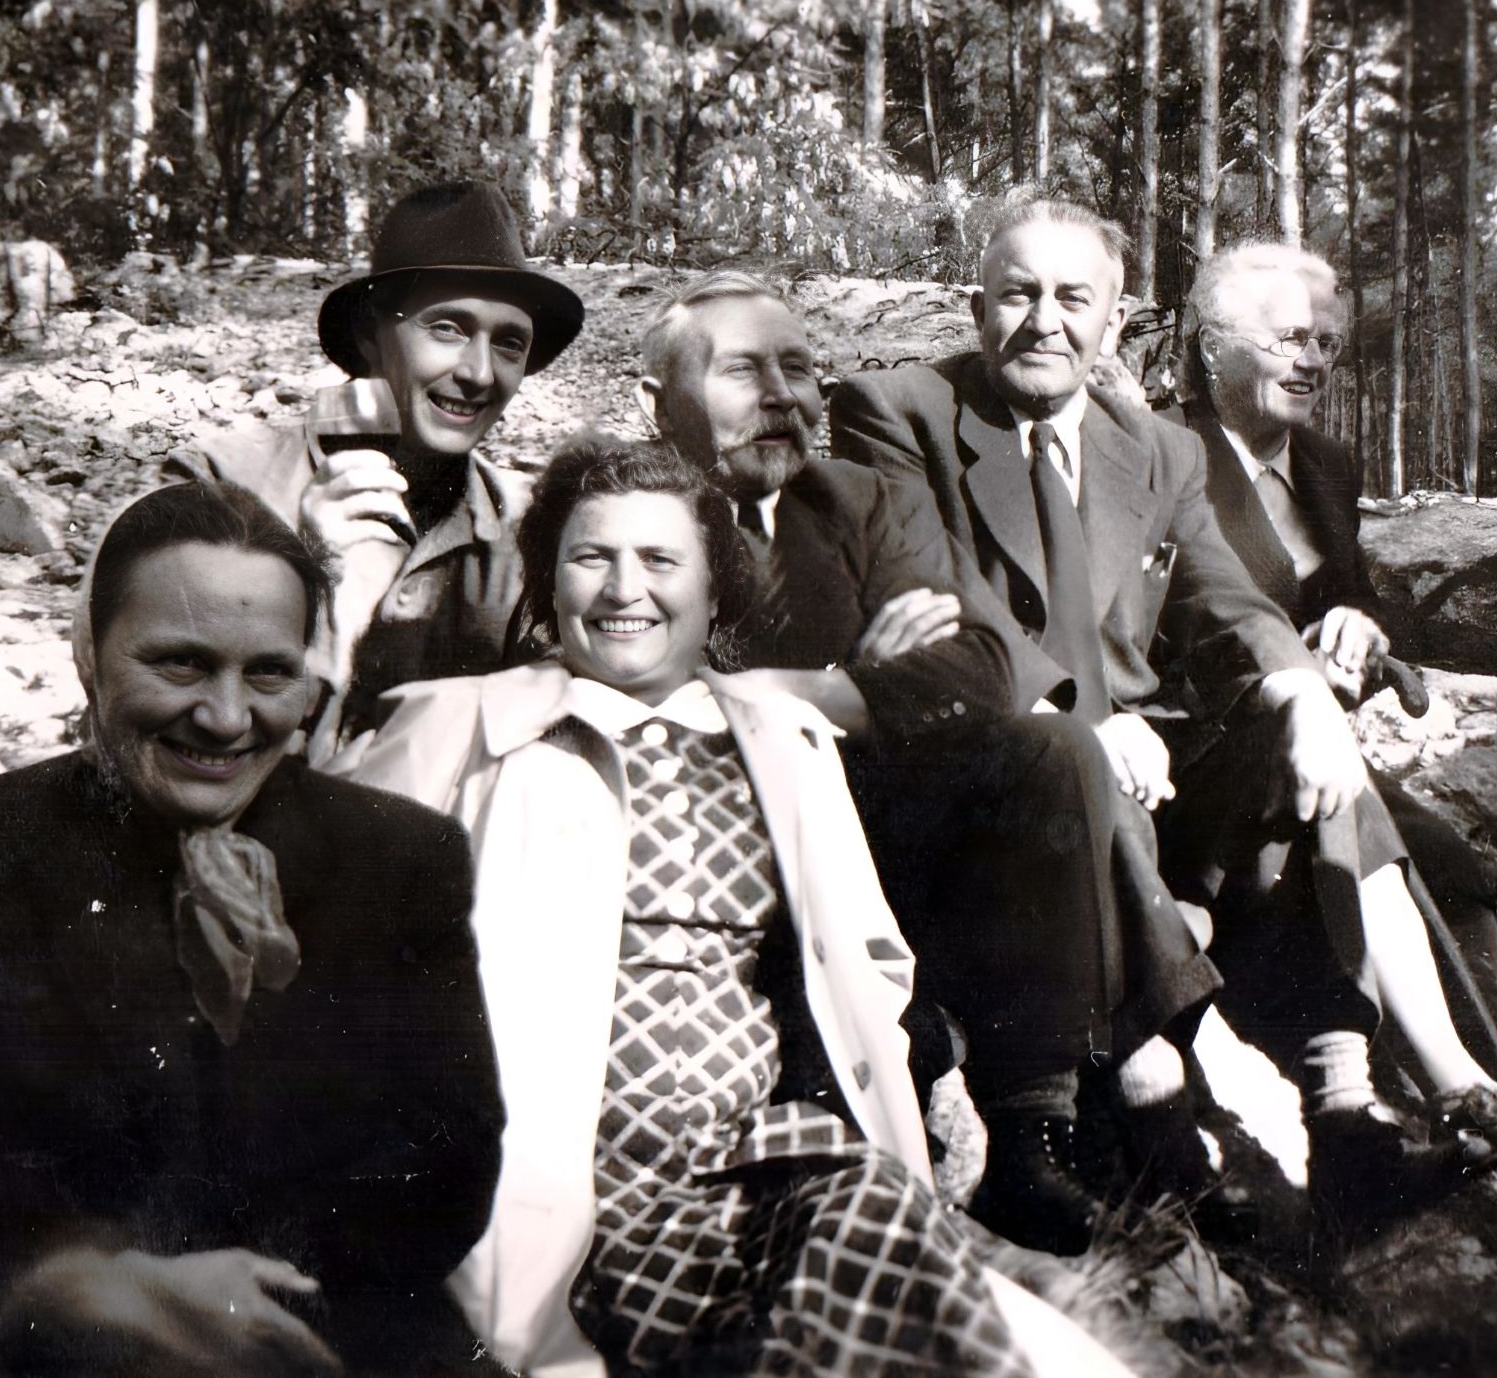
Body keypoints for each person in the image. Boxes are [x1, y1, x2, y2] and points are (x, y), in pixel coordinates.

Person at [828, 199, 1497, 1226]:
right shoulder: (895, 410)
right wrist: (1075, 711)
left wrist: (1294, 685)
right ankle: (1152, 1100)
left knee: (1302, 740)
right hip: (1001, 774)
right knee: (1071, 759)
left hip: (1148, 783)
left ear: (1112, 321)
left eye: (1072, 297)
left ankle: (1361, 1113)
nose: (1043, 320)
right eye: (1017, 293)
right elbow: (929, 596)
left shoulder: (1148, 450)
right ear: (976, 305)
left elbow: (1224, 598)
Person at [343, 436, 1128, 1378]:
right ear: (549, 584)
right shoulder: (460, 723)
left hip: (759, 1161)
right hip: (556, 1179)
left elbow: (870, 958)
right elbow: (328, 917)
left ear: (715, 592)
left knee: (895, 1265)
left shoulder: (781, 741)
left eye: (660, 561)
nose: (623, 590)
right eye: (591, 558)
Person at [633, 271, 1220, 1255]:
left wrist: (819, 691)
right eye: (743, 370)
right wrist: (861, 672)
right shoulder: (627, 513)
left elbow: (982, 662)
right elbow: (645, 674)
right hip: (720, 855)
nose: (783, 395)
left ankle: (1033, 1125)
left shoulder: (853, 495)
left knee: (1048, 743)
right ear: (653, 402)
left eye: (799, 368)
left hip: (883, 838)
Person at [0, 480, 504, 1376]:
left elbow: (450, 1164)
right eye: (179, 663)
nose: (227, 718)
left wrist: (257, 1296)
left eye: (269, 673)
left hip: (327, 1335)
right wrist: (99, 1284)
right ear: (89, 652)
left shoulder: (403, 859)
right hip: (61, 1334)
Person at [1171, 239, 1497, 1123]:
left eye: (1326, 344)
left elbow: (1348, 590)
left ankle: (1496, 1092)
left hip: (1311, 744)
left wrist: (1357, 625)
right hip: (1198, 753)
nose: (1311, 360)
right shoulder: (1160, 454)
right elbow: (1165, 624)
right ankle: (1416, 1096)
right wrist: (1288, 675)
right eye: (1288, 340)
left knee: (1448, 863)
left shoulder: (1328, 468)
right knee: (1328, 840)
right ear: (1210, 345)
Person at [162, 179, 585, 756]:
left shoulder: (525, 527)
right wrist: (308, 585)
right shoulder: (216, 484)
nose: (480, 373)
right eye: (447, 328)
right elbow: (168, 730)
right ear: (369, 333)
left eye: (510, 343)